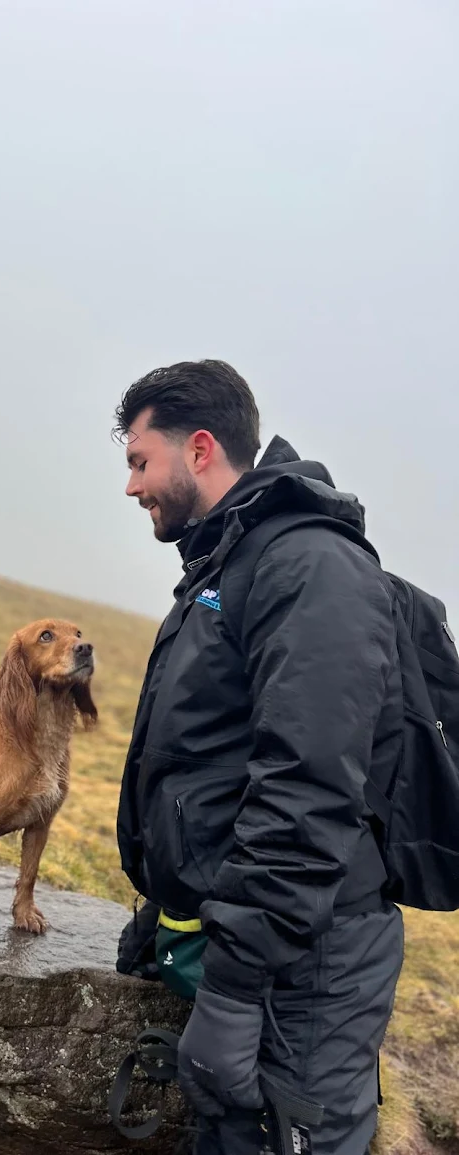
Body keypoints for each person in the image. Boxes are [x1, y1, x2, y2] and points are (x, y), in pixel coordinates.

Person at [114, 360, 404, 1155]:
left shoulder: (308, 565)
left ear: (200, 448)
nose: (131, 487)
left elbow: (308, 787)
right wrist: (166, 906)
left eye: (140, 461)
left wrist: (237, 990)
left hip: (307, 966)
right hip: (257, 940)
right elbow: (211, 758)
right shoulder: (228, 563)